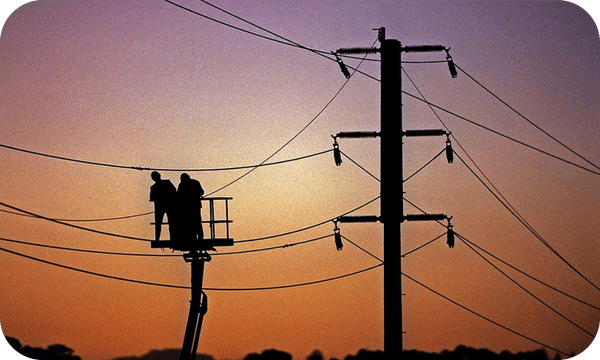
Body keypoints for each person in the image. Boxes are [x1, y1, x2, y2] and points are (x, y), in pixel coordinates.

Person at [177, 173, 205, 242]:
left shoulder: (182, 184)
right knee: (196, 222)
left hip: (188, 207)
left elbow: (178, 194)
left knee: (190, 223)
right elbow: (201, 192)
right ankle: (199, 237)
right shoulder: (195, 182)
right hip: (194, 206)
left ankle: (193, 237)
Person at [149, 171, 176, 242]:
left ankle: (157, 238)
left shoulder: (153, 187)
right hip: (168, 206)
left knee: (159, 223)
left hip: (160, 207)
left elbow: (152, 198)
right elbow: (174, 192)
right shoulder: (167, 183)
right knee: (170, 222)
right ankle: (171, 238)